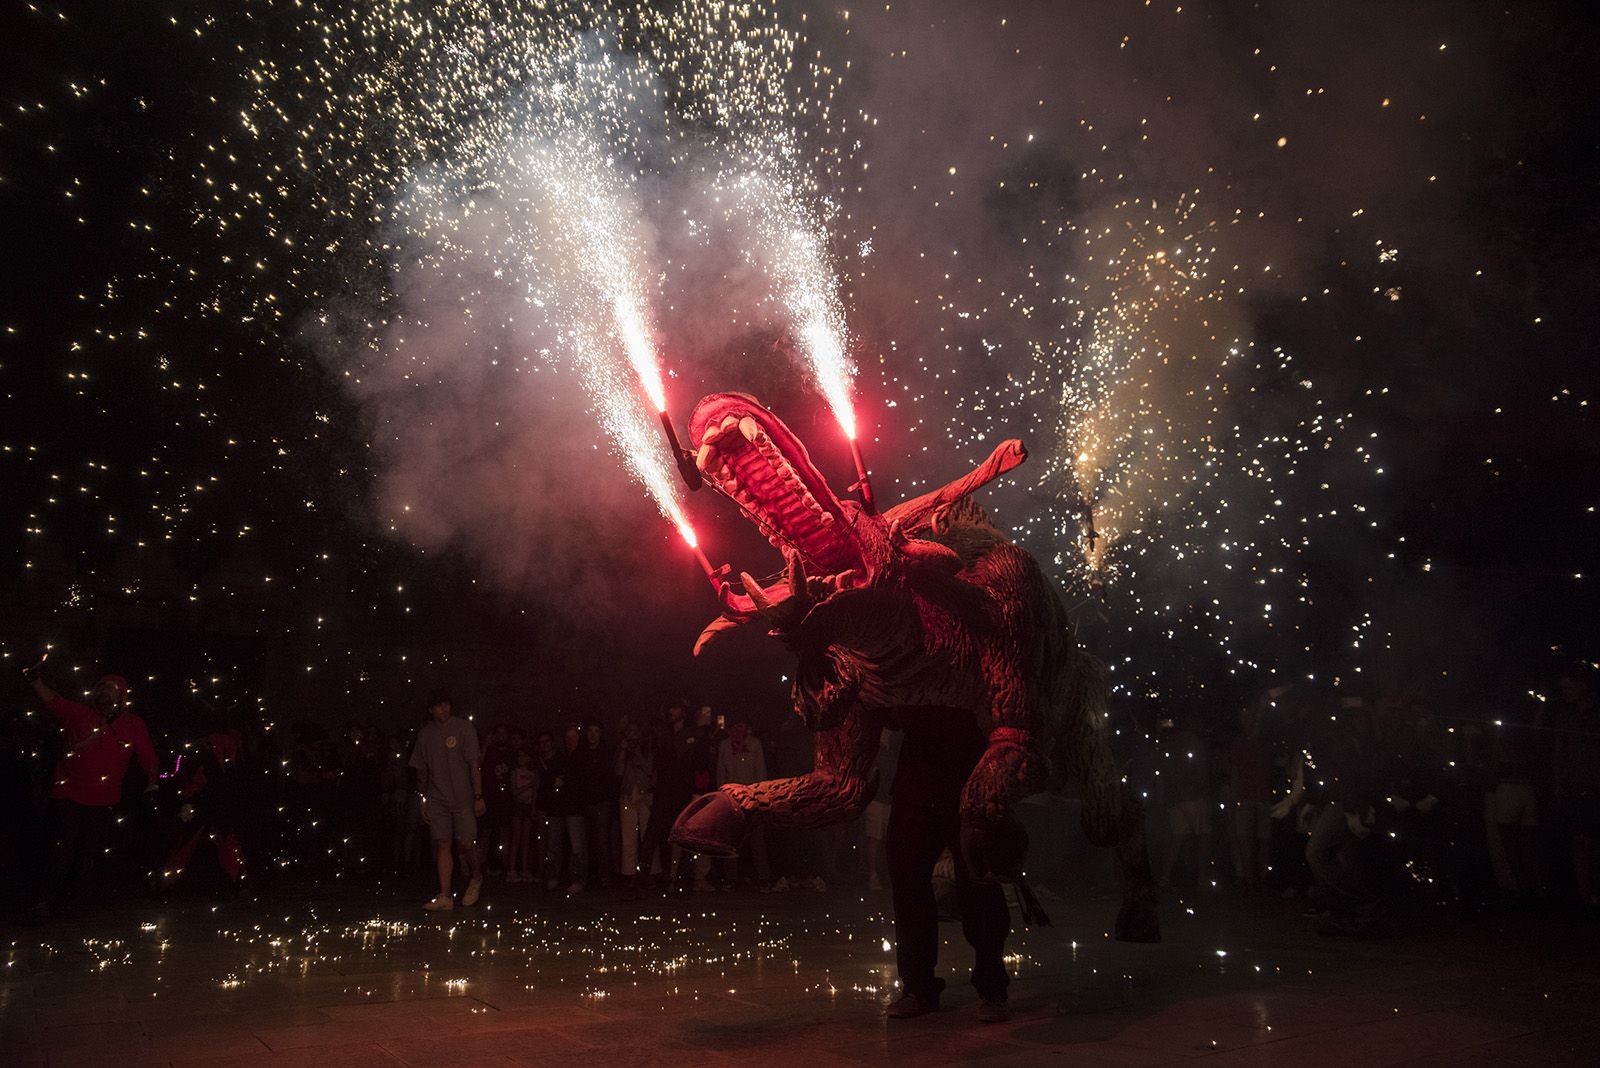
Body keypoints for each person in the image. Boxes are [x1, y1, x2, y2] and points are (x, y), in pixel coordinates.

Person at [884, 707, 1011, 1024]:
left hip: (968, 776)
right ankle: (918, 987)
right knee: (908, 880)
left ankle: (992, 987)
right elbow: (890, 714)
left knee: (979, 884)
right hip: (916, 782)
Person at [25, 665, 159, 918]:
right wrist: (34, 680)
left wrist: (153, 782)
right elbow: (53, 700)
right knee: (61, 849)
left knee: (86, 852)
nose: (104, 691)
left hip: (104, 799)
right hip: (68, 794)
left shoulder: (133, 724)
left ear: (122, 695)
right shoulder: (79, 714)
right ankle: (43, 902)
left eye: (111, 688)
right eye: (101, 686)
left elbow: (148, 756)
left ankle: (69, 901)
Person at [408, 691, 485, 911]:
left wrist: (478, 796)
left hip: (463, 797)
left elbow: (474, 764)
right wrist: (423, 799)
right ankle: (445, 895)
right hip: (437, 798)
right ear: (431, 709)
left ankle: (476, 877)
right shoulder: (425, 735)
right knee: (443, 842)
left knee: (466, 843)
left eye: (446, 704)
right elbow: (421, 771)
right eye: (439, 705)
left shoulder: (463, 728)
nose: (444, 709)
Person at [1306, 791, 1380, 935]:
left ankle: (1362, 909)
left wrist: (1358, 807)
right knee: (1335, 858)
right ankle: (1351, 913)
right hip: (1341, 803)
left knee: (1320, 855)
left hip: (1346, 803)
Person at [716, 720, 772, 889]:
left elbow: (760, 771)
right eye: (736, 726)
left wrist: (760, 797)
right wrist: (722, 797)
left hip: (752, 799)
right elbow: (721, 772)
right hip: (732, 799)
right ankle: (731, 878)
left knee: (757, 840)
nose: (739, 729)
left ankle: (763, 878)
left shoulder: (754, 744)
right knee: (732, 840)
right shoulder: (725, 745)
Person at [1226, 704, 1276, 892]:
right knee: (1244, 839)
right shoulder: (1239, 743)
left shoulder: (1263, 741)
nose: (1245, 720)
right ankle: (1249, 880)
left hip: (1263, 796)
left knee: (1263, 840)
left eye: (1248, 716)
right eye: (1243, 717)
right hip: (1245, 797)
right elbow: (1235, 772)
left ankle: (1263, 878)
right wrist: (1232, 797)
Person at [542, 724, 588, 892]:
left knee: (577, 847)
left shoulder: (583, 758)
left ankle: (578, 879)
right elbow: (549, 779)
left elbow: (583, 781)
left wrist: (565, 782)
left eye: (574, 737)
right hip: (557, 808)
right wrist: (555, 782)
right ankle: (553, 877)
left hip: (575, 808)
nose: (571, 740)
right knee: (553, 846)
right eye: (568, 737)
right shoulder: (560, 758)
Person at [862, 728, 901, 891]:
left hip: (887, 799)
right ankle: (872, 875)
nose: (889, 733)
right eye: (886, 731)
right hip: (876, 800)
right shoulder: (876, 751)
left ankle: (882, 873)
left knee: (885, 839)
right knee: (874, 838)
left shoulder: (890, 751)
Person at [616, 721, 654, 882]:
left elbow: (650, 769)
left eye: (635, 731)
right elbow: (618, 772)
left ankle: (650, 872)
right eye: (629, 732)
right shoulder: (622, 750)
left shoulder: (647, 749)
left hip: (645, 796)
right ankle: (630, 873)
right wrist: (623, 752)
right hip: (628, 796)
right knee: (628, 837)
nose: (632, 735)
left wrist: (638, 755)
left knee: (648, 836)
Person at [582, 722, 617, 886]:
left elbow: (610, 777)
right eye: (590, 731)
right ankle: (590, 874)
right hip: (586, 802)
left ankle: (604, 876)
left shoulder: (606, 753)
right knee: (587, 840)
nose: (593, 734)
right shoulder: (582, 753)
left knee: (602, 840)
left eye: (596, 731)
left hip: (602, 802)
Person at [508, 745, 538, 882]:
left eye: (524, 756)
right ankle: (512, 870)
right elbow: (514, 792)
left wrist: (533, 807)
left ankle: (524, 869)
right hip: (518, 806)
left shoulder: (533, 773)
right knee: (516, 838)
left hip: (528, 806)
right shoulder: (515, 772)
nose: (522, 758)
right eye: (519, 756)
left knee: (526, 839)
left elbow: (535, 792)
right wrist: (528, 785)